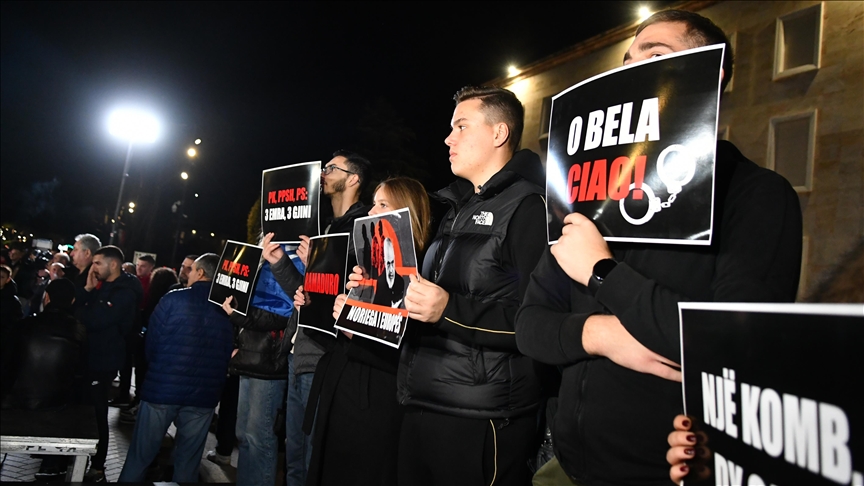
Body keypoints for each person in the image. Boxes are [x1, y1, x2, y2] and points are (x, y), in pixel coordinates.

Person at [514, 10, 803, 485]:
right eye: (626, 62)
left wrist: (603, 273)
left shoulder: (756, 195)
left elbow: (735, 349)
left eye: (655, 57)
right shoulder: (590, 201)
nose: (631, 73)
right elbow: (529, 327)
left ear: (711, 75)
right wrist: (600, 335)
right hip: (565, 465)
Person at [396, 86, 548, 485]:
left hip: (483, 417)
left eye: (461, 127)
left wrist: (448, 310)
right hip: (422, 400)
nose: (448, 139)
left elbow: (538, 322)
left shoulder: (529, 208)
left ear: (499, 134)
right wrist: (373, 297)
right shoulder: (455, 209)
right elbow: (425, 300)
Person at [297, 176, 431, 486]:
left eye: (382, 204)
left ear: (406, 212)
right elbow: (335, 337)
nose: (371, 212)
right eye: (373, 203)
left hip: (373, 409)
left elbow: (406, 354)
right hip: (339, 394)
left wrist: (353, 330)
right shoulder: (365, 268)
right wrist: (316, 309)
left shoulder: (423, 274)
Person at [275, 149, 372, 486]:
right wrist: (279, 262)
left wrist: (318, 264)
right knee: (294, 456)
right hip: (298, 353)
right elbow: (306, 295)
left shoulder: (362, 229)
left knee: (313, 458)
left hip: (324, 357)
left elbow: (356, 297)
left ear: (354, 179)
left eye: (332, 168)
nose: (324, 173)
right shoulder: (324, 227)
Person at [118, 254, 233, 483]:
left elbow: (151, 342)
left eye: (191, 270)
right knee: (188, 462)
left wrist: (157, 369)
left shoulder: (173, 299)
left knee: (140, 456)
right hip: (203, 395)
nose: (187, 274)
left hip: (163, 388)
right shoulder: (227, 308)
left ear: (200, 273)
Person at [222, 239, 302, 486]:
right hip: (249, 353)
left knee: (259, 437)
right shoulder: (260, 255)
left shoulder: (297, 256)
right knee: (244, 435)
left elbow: (284, 315)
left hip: (269, 359)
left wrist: (239, 316)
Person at [1, 278, 88, 481]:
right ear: (72, 301)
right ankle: (53, 465)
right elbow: (82, 371)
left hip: (14, 403)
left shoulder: (23, 326)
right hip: (57, 406)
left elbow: (6, 364)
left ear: (46, 297)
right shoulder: (78, 330)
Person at [75, 245, 142, 482]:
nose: (93, 268)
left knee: (97, 412)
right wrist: (87, 290)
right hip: (91, 358)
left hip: (104, 360)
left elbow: (95, 319)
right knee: (85, 409)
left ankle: (97, 466)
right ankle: (79, 459)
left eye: (97, 263)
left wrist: (84, 310)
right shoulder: (103, 286)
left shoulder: (124, 292)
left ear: (113, 264)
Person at [372, 237, 406, 308]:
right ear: (384, 262)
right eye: (388, 263)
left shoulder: (400, 282)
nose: (391, 270)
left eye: (392, 263)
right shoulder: (380, 282)